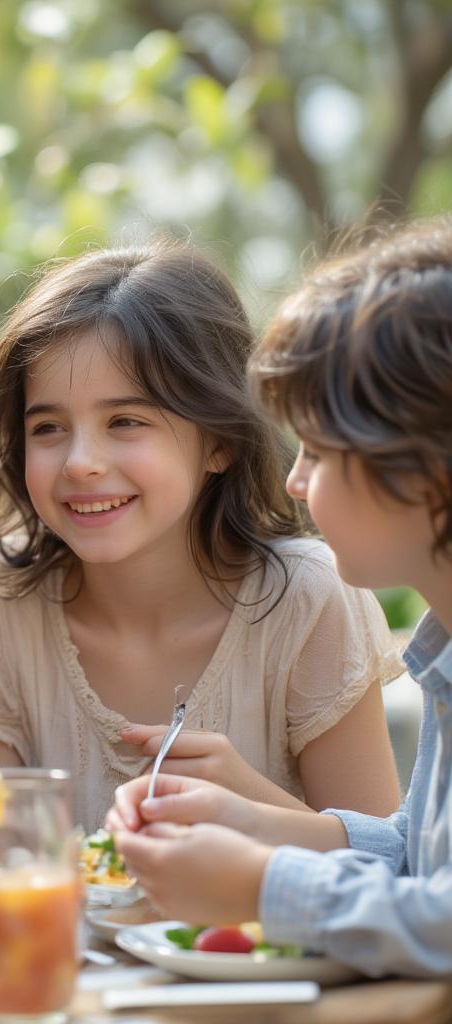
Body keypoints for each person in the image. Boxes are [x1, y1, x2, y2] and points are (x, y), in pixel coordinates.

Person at [0, 240, 402, 833]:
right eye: (48, 427)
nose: (80, 462)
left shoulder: (308, 598)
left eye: (126, 421)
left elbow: (391, 878)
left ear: (219, 440)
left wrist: (248, 802)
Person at [107, 219, 452, 977]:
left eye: (321, 453)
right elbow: (427, 863)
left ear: (425, 471)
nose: (296, 482)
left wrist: (262, 883)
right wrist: (257, 824)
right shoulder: (442, 658)